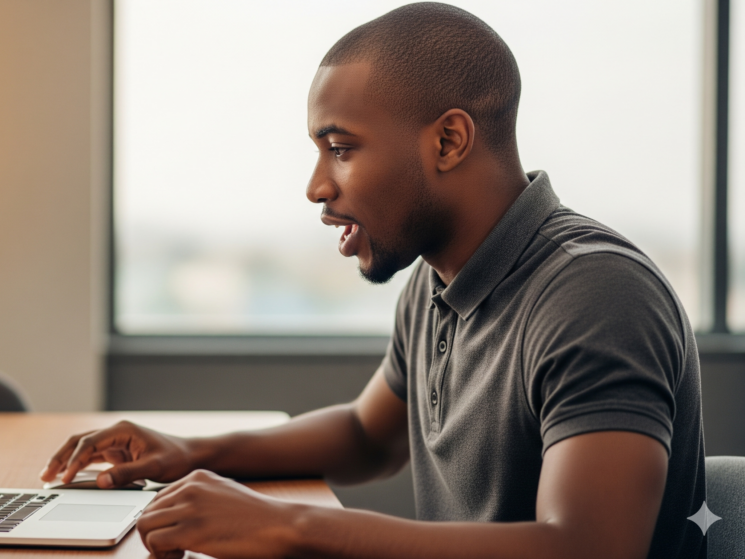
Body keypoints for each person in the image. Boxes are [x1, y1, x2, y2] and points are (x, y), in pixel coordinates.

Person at [38, 5, 706, 559]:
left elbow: (590, 549)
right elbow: (368, 434)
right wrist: (189, 453)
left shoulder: (595, 293)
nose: (316, 186)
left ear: (448, 142)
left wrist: (290, 526)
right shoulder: (439, 277)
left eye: (341, 147)